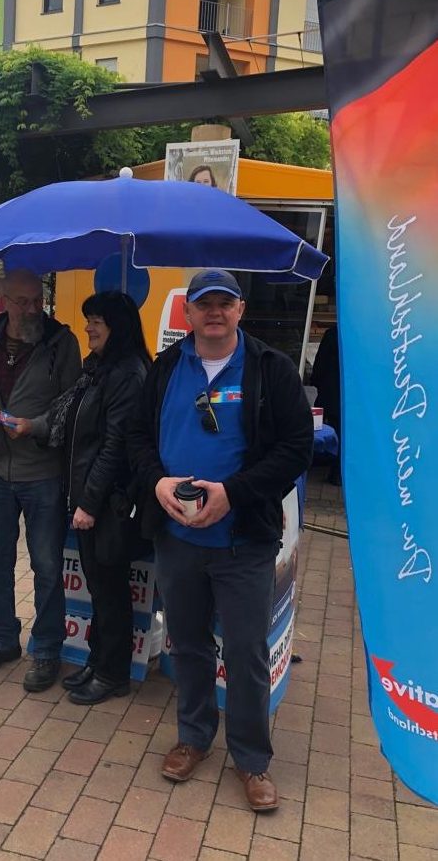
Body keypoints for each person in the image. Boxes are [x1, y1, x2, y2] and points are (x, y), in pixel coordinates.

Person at [128, 268, 313, 811]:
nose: (214, 312)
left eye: (224, 303)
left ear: (239, 311)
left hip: (243, 542)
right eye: (203, 303)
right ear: (188, 313)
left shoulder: (270, 369)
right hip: (177, 540)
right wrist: (156, 481)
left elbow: (296, 448)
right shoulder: (164, 368)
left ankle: (252, 760)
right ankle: (193, 737)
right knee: (186, 645)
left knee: (247, 652)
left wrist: (233, 493)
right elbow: (136, 438)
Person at [12, 291, 151, 704]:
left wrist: (88, 503)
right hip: (90, 497)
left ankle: (113, 673)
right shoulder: (99, 368)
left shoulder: (128, 373)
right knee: (99, 587)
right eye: (89, 318)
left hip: (109, 503)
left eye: (96, 321)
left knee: (110, 590)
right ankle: (99, 660)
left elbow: (114, 446)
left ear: (117, 327)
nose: (87, 326)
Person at [0, 269, 81, 692]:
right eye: (22, 302)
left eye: (37, 300)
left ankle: (46, 649)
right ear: (3, 298)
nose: (32, 309)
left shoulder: (61, 342)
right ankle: (2, 639)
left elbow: (70, 407)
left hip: (41, 473)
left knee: (45, 563)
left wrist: (34, 426)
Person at [311, 323, 341, 485]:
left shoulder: (333, 333)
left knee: (334, 430)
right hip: (351, 395)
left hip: (332, 393)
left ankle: (334, 471)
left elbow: (320, 363)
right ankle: (340, 472)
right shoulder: (364, 333)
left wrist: (317, 381)